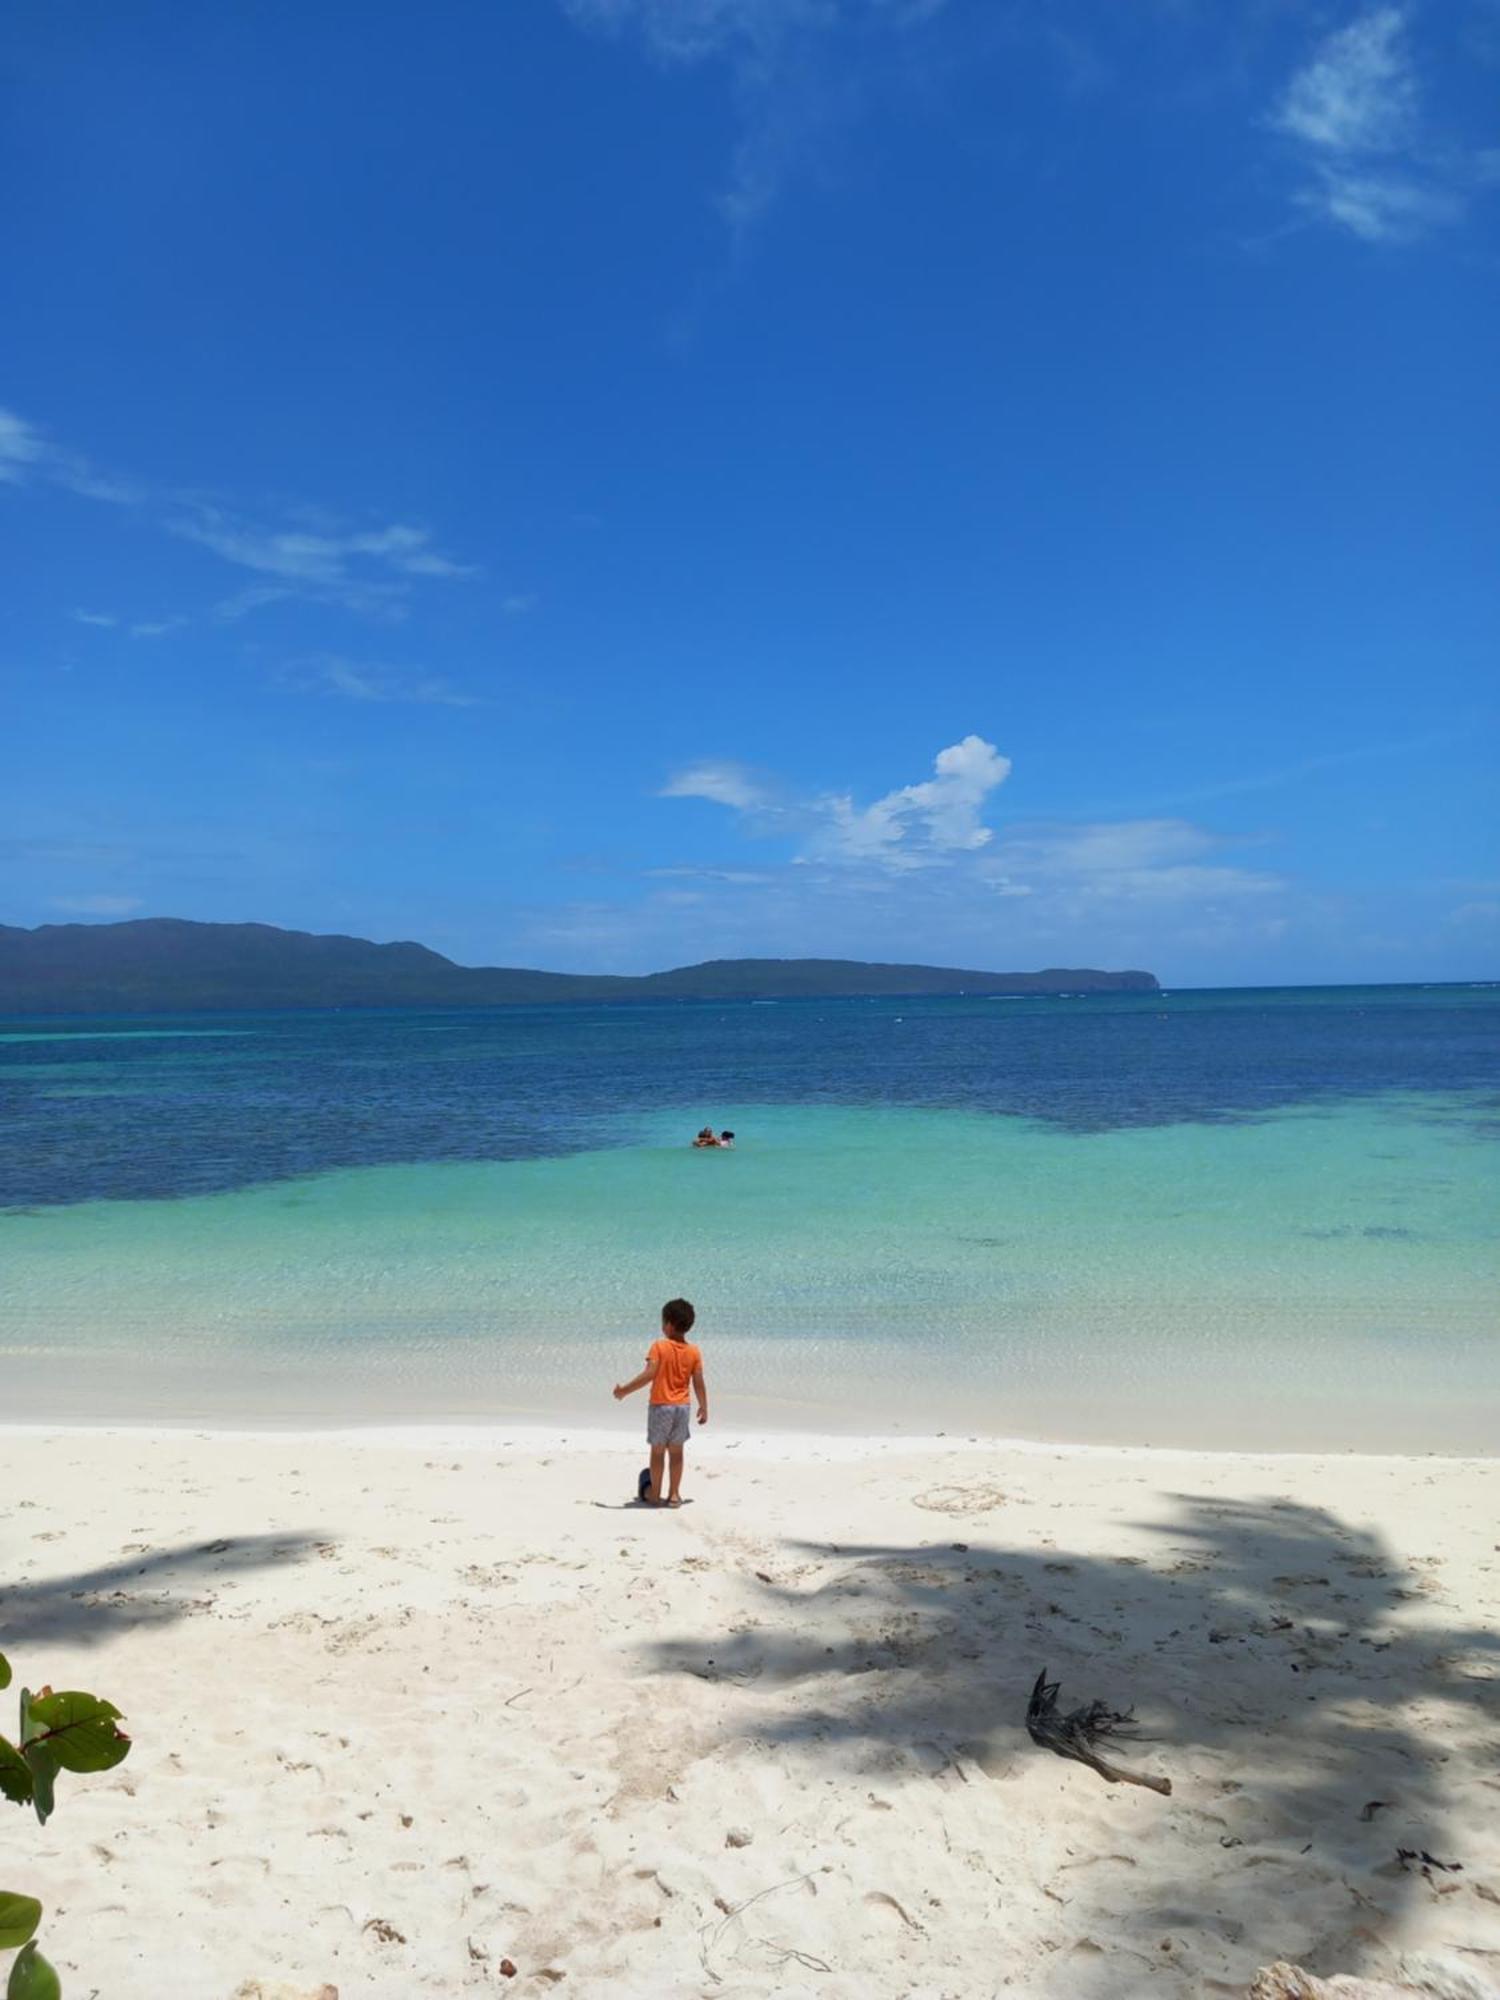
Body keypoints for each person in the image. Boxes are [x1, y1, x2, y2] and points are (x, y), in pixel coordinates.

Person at [612, 1297, 708, 1506]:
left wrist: (625, 1390)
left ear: (669, 1324)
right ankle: (674, 1495)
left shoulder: (659, 1347)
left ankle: (654, 1494)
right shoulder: (694, 1352)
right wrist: (704, 1406)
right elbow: (698, 1382)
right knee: (676, 1452)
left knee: (657, 1451)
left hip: (661, 1407)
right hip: (683, 1408)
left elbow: (649, 1374)